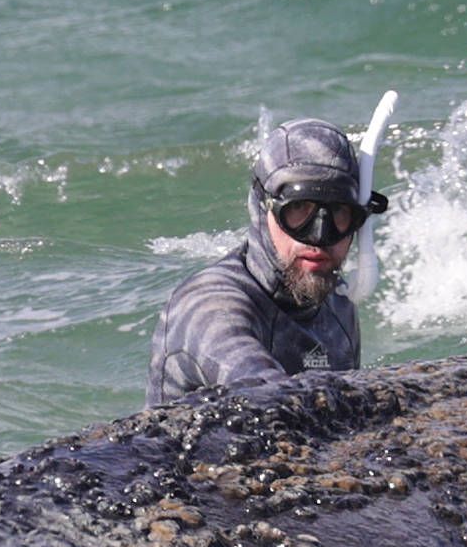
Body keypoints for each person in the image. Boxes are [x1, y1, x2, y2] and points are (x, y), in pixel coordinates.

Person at [145, 117, 387, 408]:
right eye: (298, 210)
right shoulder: (208, 308)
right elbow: (269, 398)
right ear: (262, 208)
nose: (320, 236)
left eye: (339, 213)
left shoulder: (337, 302)